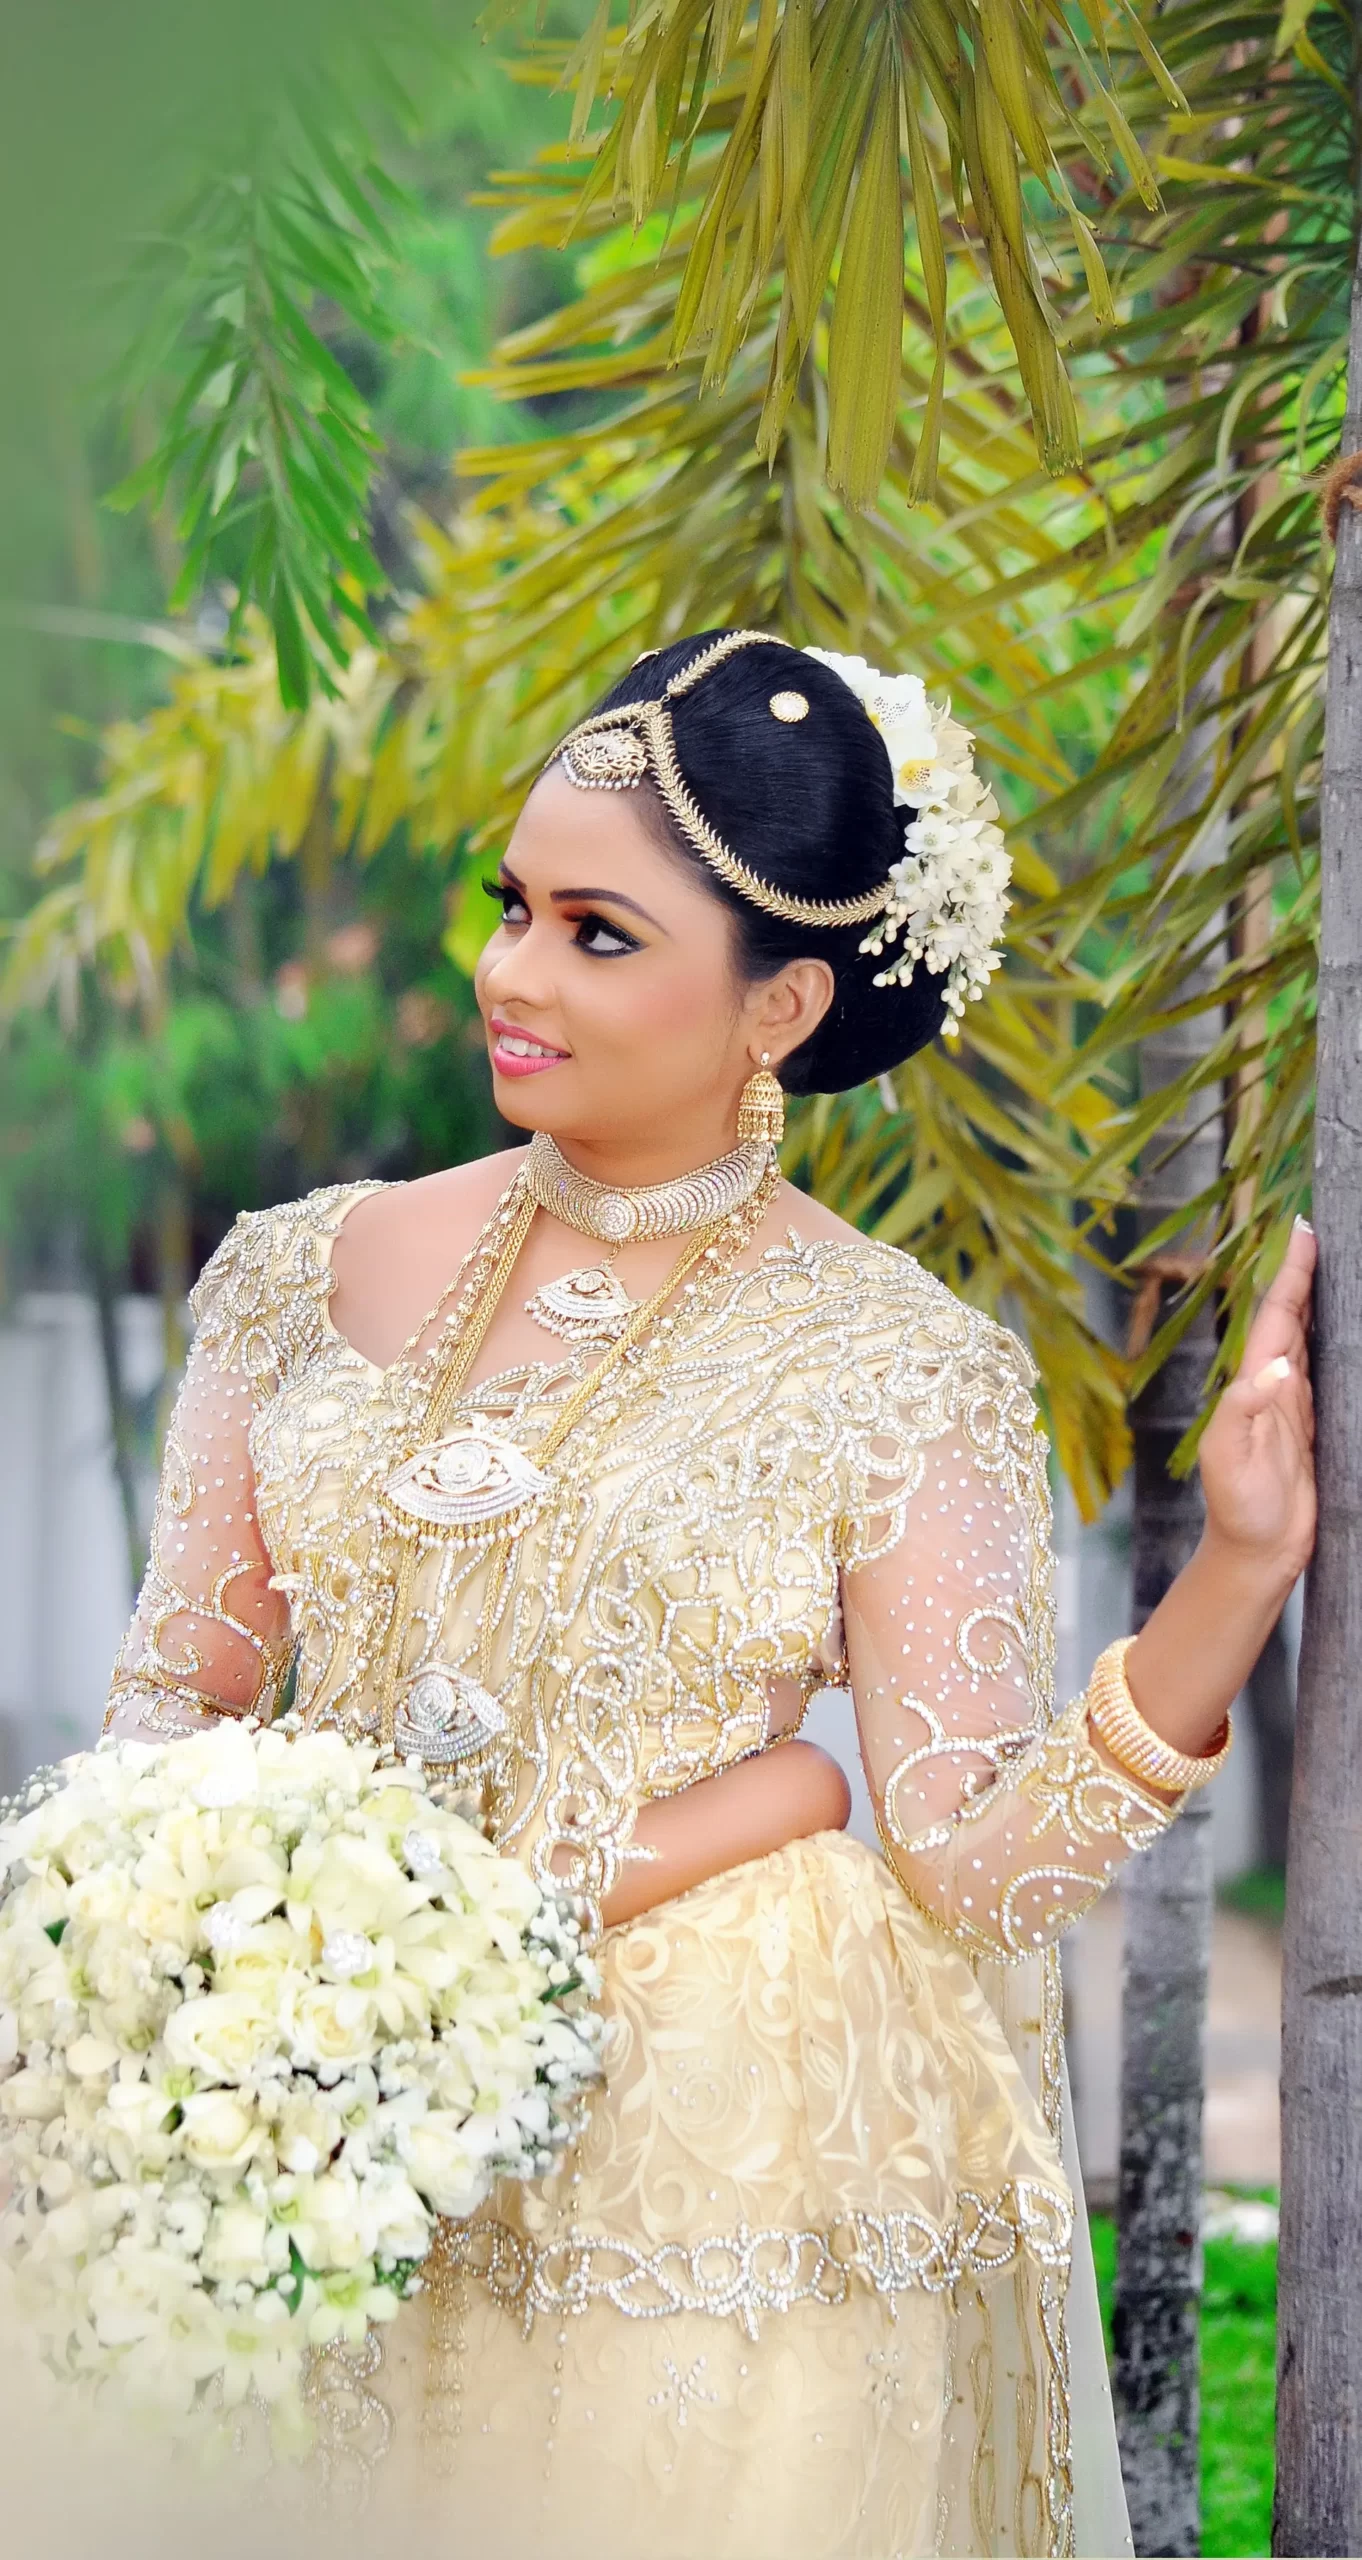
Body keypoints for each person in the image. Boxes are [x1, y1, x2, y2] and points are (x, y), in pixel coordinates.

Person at [102, 631, 1316, 2559]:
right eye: (513, 909)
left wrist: (1238, 1570)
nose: (508, 973)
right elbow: (167, 1729)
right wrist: (210, 1996)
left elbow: (974, 1866)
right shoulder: (298, 1275)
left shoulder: (899, 1371)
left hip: (703, 2192)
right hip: (304, 2131)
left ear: (783, 1003)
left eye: (597, 933)